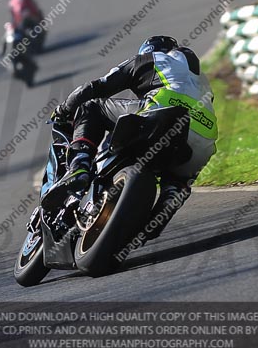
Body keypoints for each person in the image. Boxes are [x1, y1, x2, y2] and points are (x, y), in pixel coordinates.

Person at [49, 35, 217, 241]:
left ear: (149, 50)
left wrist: (63, 109)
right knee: (179, 177)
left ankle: (80, 166)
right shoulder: (201, 78)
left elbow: (95, 88)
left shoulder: (149, 60)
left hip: (162, 115)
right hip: (204, 143)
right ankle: (173, 192)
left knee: (91, 107)